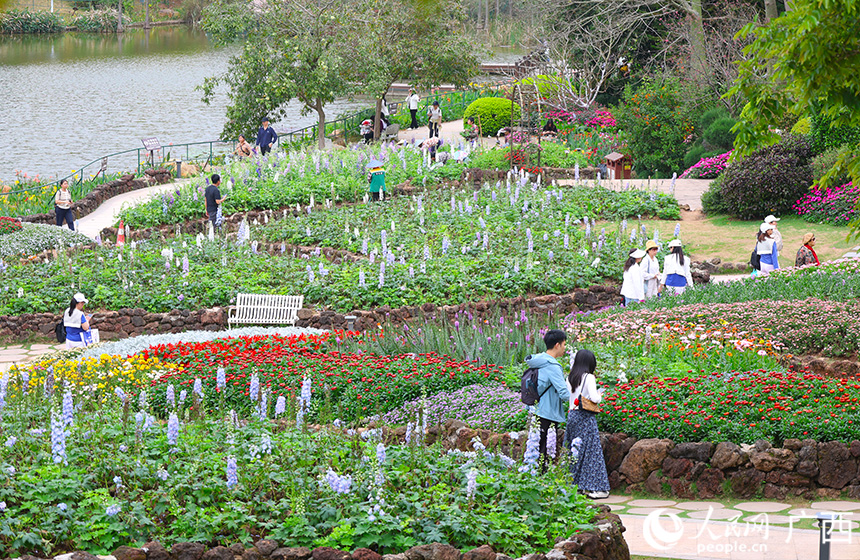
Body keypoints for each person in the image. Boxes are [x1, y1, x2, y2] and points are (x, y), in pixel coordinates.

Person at [564, 349, 610, 499]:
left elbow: (568, 397)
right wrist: (600, 395)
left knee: (575, 451)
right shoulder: (589, 377)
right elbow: (594, 398)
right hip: (585, 416)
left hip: (572, 416)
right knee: (592, 452)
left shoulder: (570, 377)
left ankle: (575, 485)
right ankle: (599, 488)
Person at [525, 329, 571, 473]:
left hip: (536, 409)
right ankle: (541, 481)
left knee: (536, 446)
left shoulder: (539, 360)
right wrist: (580, 400)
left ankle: (533, 478)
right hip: (547, 412)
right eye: (564, 345)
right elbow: (564, 393)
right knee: (544, 449)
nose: (565, 348)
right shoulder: (552, 366)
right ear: (557, 345)